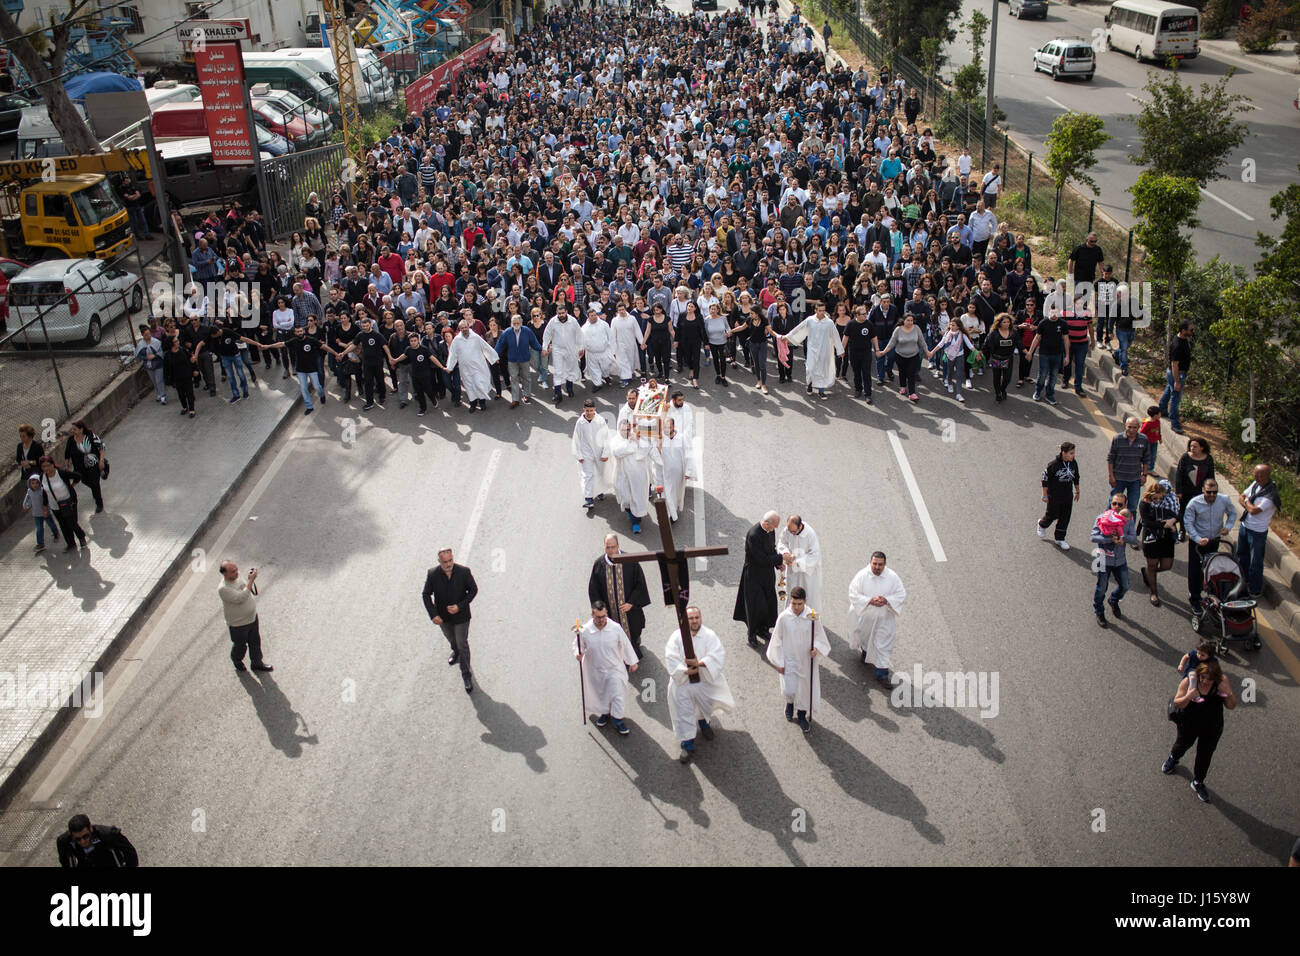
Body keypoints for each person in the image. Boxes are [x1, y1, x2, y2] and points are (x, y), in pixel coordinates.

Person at [666, 606, 737, 764]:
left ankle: (704, 724)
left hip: (704, 681)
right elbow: (670, 657)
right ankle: (687, 744)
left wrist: (700, 663)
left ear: (701, 618)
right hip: (683, 683)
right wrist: (686, 671)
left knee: (705, 706)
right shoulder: (677, 637)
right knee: (685, 712)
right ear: (685, 620)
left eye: (697, 617)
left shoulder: (709, 635)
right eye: (691, 618)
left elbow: (718, 654)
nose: (694, 621)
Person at [1163, 661, 1236, 803]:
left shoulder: (1222, 682)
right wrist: (1189, 696)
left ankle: (1198, 782)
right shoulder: (1189, 682)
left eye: (1210, 679)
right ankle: (1173, 758)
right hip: (1189, 724)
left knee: (1205, 755)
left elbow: (1231, 706)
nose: (1205, 682)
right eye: (1202, 677)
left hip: (1212, 727)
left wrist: (1228, 693)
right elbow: (1178, 702)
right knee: (1181, 745)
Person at [766, 586, 829, 733]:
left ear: (805, 602)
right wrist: (779, 662)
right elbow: (776, 641)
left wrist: (817, 649)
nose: (796, 607)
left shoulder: (812, 616)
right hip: (789, 659)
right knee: (790, 688)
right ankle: (789, 703)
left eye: (799, 604)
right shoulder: (784, 617)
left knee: (805, 689)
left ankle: (802, 714)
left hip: (806, 660)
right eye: (793, 604)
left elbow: (820, 636)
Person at [574, 601, 639, 735]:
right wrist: (578, 653)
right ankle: (604, 713)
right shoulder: (585, 630)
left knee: (617, 695)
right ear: (592, 614)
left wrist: (632, 662)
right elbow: (578, 645)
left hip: (614, 669)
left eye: (604, 616)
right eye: (598, 617)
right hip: (595, 669)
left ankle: (618, 719)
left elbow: (625, 644)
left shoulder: (615, 628)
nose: (602, 620)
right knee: (601, 694)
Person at [422, 548, 479, 693]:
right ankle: (455, 651)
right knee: (452, 639)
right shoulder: (433, 574)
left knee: (462, 643)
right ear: (439, 561)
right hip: (443, 617)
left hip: (461, 617)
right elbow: (426, 594)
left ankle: (466, 674)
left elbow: (473, 590)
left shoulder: (464, 572)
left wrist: (459, 606)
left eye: (450, 560)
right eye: (445, 562)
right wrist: (433, 614)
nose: (448, 564)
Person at [588, 533, 652, 658]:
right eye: (608, 547)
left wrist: (631, 603)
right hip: (610, 613)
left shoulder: (630, 560)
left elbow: (640, 584)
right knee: (614, 637)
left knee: (633, 633)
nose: (611, 551)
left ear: (618, 546)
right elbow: (594, 590)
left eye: (613, 547)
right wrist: (601, 609)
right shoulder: (599, 565)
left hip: (629, 611)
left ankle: (634, 651)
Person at [848, 551, 906, 686]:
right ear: (870, 563)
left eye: (880, 564)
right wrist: (869, 600)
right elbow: (853, 593)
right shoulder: (862, 576)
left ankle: (882, 674)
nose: (877, 567)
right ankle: (865, 651)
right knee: (866, 638)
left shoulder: (892, 577)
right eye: (874, 564)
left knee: (883, 644)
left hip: (884, 617)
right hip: (866, 616)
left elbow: (901, 594)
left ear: (885, 564)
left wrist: (887, 600)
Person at [1184, 479, 1236, 616]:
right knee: (1195, 569)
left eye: (1215, 492)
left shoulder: (1224, 500)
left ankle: (1210, 595)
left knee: (1211, 569)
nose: (1212, 495)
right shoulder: (1194, 503)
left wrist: (1228, 527)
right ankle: (1194, 598)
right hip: (1198, 542)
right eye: (1209, 492)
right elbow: (1188, 523)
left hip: (1214, 540)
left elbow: (1233, 513)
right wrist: (1197, 538)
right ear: (1203, 490)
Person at [733, 510, 784, 647]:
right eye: (775, 526)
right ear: (767, 524)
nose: (775, 529)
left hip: (767, 574)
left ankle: (764, 629)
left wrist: (778, 564)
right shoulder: (754, 535)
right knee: (754, 605)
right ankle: (752, 634)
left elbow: (771, 549)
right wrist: (781, 558)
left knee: (768, 602)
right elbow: (761, 559)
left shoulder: (770, 531)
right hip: (754, 575)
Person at [1090, 493, 1140, 628]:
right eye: (1114, 503)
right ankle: (1099, 611)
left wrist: (1122, 539)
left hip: (1119, 560)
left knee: (1125, 585)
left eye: (1120, 504)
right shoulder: (1102, 518)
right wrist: (1109, 540)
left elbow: (1134, 538)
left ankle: (1113, 600)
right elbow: (1093, 537)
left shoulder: (1128, 520)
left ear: (1125, 505)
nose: (1116, 507)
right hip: (1103, 559)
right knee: (1101, 588)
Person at [217, 560, 273, 672]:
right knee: (240, 646)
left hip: (251, 618)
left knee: (255, 641)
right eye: (233, 571)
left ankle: (257, 662)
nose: (237, 573)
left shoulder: (237, 577)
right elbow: (240, 598)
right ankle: (236, 659)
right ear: (224, 574)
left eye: (236, 569)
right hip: (238, 624)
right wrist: (251, 581)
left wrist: (249, 579)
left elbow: (245, 587)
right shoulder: (223, 588)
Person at [782, 300, 844, 398]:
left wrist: (840, 350)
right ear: (815, 310)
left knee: (822, 370)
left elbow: (835, 336)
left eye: (823, 310)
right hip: (812, 350)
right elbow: (799, 328)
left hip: (824, 350)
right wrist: (788, 337)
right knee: (810, 369)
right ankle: (810, 385)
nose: (822, 313)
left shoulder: (829, 323)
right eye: (819, 310)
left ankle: (821, 391)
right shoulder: (810, 320)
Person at [1236, 463, 1279, 598]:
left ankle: (1255, 589)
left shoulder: (1270, 495)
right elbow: (1241, 497)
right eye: (1255, 475)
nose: (1256, 478)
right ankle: (1243, 581)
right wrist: (1248, 502)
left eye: (1259, 475)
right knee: (1242, 556)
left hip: (1257, 532)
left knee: (1256, 562)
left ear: (1267, 476)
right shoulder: (1255, 484)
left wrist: (1247, 502)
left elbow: (1254, 511)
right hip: (1245, 526)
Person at [1138, 479, 1180, 608]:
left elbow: (1178, 515)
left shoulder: (1168, 502)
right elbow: (1146, 522)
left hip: (1166, 539)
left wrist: (1173, 520)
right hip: (1151, 538)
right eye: (1154, 498)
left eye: (1159, 498)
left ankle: (1148, 573)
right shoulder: (1144, 504)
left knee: (1167, 565)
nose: (1157, 501)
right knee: (1152, 564)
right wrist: (1165, 524)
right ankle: (1154, 593)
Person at [445, 319, 500, 413]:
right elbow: (452, 354)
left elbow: (485, 347)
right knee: (469, 386)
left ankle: (482, 402)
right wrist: (449, 367)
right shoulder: (457, 340)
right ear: (459, 329)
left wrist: (494, 358)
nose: (464, 329)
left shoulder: (475, 337)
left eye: (465, 327)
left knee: (479, 384)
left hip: (478, 366)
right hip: (465, 368)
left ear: (468, 327)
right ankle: (473, 404)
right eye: (462, 328)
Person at [38, 456, 88, 552]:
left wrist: (72, 486)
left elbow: (78, 476)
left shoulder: (61, 473)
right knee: (63, 526)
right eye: (43, 466)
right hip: (55, 506)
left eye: (48, 465)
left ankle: (81, 537)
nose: (46, 468)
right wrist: (45, 507)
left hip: (68, 503)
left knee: (72, 523)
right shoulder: (42, 477)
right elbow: (44, 492)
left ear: (53, 464)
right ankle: (71, 544)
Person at [1038, 441, 1080, 549]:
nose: (1073, 455)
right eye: (1071, 453)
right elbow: (1045, 479)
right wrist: (1044, 495)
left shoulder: (1073, 463)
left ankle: (1060, 539)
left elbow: (1076, 477)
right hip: (1054, 495)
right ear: (1063, 453)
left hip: (1067, 495)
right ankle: (1042, 524)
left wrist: (1077, 491)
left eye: (1073, 453)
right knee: (1052, 515)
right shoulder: (1053, 465)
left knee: (1065, 517)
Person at [777, 514, 822, 613]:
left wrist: (796, 562)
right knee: (791, 592)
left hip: (807, 572)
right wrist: (785, 553)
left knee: (808, 595)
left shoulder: (810, 535)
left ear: (800, 526)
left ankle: (809, 619)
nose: (791, 534)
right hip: (792, 570)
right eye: (790, 531)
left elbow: (814, 555)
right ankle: (790, 616)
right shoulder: (788, 530)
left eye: (794, 531)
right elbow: (782, 542)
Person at [495, 312, 542, 406]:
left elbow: (534, 343)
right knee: (514, 378)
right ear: (511, 324)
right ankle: (515, 399)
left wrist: (542, 350)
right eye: (514, 323)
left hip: (524, 359)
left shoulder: (527, 331)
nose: (516, 325)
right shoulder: (507, 332)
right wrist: (495, 355)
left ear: (521, 323)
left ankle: (527, 395)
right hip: (512, 360)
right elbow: (500, 345)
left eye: (518, 323)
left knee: (526, 377)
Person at [1173, 437, 1216, 540]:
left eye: (1195, 446)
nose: (1192, 448)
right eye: (1191, 446)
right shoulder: (1185, 457)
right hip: (1186, 491)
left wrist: (1210, 491)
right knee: (1184, 511)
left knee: (1199, 512)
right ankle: (1182, 530)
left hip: (1200, 492)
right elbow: (1179, 475)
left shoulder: (1208, 459)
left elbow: (1211, 476)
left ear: (1202, 447)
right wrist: (1179, 491)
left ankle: (1196, 531)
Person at [56, 814, 138, 868]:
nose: (83, 842)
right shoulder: (63, 842)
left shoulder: (108, 834)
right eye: (78, 839)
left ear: (90, 828)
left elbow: (130, 852)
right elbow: (65, 862)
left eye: (86, 836)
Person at [572, 400, 612, 509]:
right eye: (587, 410)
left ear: (594, 410)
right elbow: (576, 438)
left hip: (599, 451)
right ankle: (589, 498)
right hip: (586, 452)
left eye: (591, 410)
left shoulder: (600, 421)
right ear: (583, 410)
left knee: (600, 472)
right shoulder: (580, 422)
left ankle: (599, 491)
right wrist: (578, 455)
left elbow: (606, 437)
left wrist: (605, 452)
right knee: (588, 475)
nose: (589, 413)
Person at [1106, 416, 1149, 514]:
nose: (1132, 430)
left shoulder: (1143, 439)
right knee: (1113, 505)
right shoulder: (1117, 438)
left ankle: (1129, 528)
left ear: (1138, 427)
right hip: (1118, 478)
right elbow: (1110, 459)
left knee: (1132, 507)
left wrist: (1144, 475)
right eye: (1129, 427)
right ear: (1125, 426)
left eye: (1134, 427)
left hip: (1135, 479)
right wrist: (1111, 476)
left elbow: (1146, 459)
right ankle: (1106, 526)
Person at [542, 304, 584, 405]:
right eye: (559, 313)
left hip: (570, 349)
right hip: (557, 349)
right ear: (557, 313)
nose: (561, 315)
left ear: (566, 312)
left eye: (563, 313)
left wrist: (581, 347)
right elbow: (547, 334)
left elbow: (579, 334)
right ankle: (557, 393)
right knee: (558, 371)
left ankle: (569, 388)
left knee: (570, 369)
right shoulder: (553, 321)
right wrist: (544, 347)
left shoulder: (573, 321)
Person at [1159, 319, 1194, 436]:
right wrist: (1177, 381)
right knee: (1175, 397)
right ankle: (1174, 423)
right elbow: (1175, 364)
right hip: (1177, 373)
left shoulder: (1181, 339)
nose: (1192, 332)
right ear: (1183, 330)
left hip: (1175, 373)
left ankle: (1162, 409)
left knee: (1169, 390)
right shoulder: (1178, 345)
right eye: (1190, 330)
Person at [63, 420, 107, 514]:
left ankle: (99, 503)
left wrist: (101, 460)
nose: (73, 431)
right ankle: (96, 491)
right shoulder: (71, 440)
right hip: (79, 468)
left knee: (95, 484)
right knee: (85, 481)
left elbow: (101, 447)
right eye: (72, 429)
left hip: (92, 465)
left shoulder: (91, 437)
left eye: (75, 429)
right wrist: (67, 465)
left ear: (81, 429)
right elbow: (67, 454)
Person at [660, 416, 694, 523]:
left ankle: (673, 511)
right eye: (664, 427)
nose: (666, 430)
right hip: (665, 472)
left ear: (673, 426)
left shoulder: (682, 438)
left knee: (675, 493)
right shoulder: (661, 439)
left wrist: (688, 471)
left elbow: (688, 454)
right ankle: (671, 515)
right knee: (667, 493)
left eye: (668, 427)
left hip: (678, 473)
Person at [23, 473, 60, 553]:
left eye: (37, 483)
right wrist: (25, 506)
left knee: (51, 524)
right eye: (32, 483)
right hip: (36, 514)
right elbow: (27, 499)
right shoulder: (29, 491)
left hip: (45, 512)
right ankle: (40, 544)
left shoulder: (42, 491)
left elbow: (47, 500)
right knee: (39, 529)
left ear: (40, 483)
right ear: (30, 484)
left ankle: (56, 533)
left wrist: (47, 510)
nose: (35, 485)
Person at [134, 324, 166, 404]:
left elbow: (161, 352)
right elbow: (139, 355)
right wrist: (146, 358)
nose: (148, 336)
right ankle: (158, 393)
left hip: (158, 364)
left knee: (159, 380)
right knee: (154, 380)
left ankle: (163, 395)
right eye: (146, 335)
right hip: (149, 366)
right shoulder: (141, 345)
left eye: (149, 334)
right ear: (142, 335)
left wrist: (154, 356)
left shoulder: (156, 342)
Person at [1139, 405, 1162, 473]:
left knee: (1153, 456)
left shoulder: (1158, 421)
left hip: (1154, 442)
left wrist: (1160, 438)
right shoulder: (1147, 424)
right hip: (1147, 443)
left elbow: (1158, 430)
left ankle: (1150, 468)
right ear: (1155, 415)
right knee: (1145, 455)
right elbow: (1141, 433)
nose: (1160, 414)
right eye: (1159, 413)